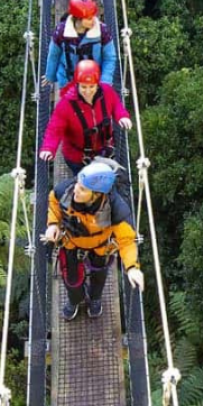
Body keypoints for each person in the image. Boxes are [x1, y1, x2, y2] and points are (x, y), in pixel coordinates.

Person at [41, 159, 145, 320]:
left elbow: (126, 240)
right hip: (71, 242)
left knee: (99, 275)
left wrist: (132, 267)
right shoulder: (65, 191)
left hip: (101, 246)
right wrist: (53, 225)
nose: (76, 190)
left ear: (97, 195)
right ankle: (75, 300)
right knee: (71, 279)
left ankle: (95, 298)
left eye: (82, 189)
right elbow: (53, 202)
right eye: (77, 183)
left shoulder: (116, 209)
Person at [38, 59, 132, 177]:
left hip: (103, 151)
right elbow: (54, 129)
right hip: (78, 158)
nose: (88, 91)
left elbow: (116, 105)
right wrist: (48, 148)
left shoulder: (107, 92)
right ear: (77, 84)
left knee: (103, 185)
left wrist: (122, 116)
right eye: (83, 87)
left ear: (97, 84)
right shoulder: (66, 104)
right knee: (86, 187)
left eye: (92, 86)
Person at [44, 0, 118, 88]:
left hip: (92, 83)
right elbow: (54, 54)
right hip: (68, 81)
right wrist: (50, 75)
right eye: (89, 18)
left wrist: (105, 82)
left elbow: (109, 57)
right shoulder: (61, 31)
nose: (93, 20)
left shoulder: (101, 30)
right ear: (77, 19)